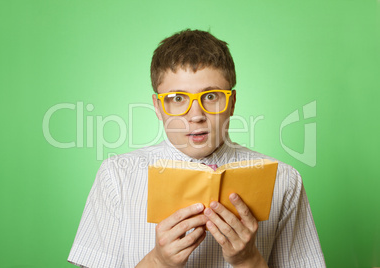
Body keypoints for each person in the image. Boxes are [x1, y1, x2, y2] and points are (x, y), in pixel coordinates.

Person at [68, 29, 326, 267]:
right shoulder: (117, 176)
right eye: (178, 99)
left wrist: (248, 260)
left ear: (232, 102)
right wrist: (158, 262)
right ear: (158, 107)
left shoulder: (283, 180)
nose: (196, 116)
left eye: (211, 96)